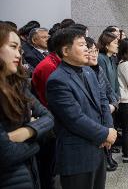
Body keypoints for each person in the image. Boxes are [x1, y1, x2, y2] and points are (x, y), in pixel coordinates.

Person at [46, 28, 116, 189]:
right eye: (82, 45)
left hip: (99, 147)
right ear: (65, 50)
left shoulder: (88, 71)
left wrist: (109, 128)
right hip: (77, 153)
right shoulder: (57, 80)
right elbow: (74, 119)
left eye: (86, 44)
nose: (87, 49)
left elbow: (103, 101)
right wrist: (105, 133)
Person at [0, 23, 54, 189]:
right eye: (13, 47)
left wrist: (25, 132)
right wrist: (37, 141)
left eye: (19, 49)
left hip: (28, 170)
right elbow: (5, 154)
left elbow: (48, 117)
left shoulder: (18, 85)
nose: (18, 54)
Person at [31, 31, 63, 189]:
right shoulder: (48, 66)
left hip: (51, 116)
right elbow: (51, 99)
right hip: (49, 117)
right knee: (48, 163)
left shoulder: (54, 62)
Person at [97, 31, 120, 169]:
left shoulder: (112, 58)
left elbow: (115, 81)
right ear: (106, 45)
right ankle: (107, 157)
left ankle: (109, 153)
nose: (118, 45)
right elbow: (103, 83)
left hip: (113, 99)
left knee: (113, 127)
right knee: (107, 127)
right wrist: (111, 100)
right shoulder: (101, 58)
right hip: (106, 101)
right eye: (115, 43)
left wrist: (116, 96)